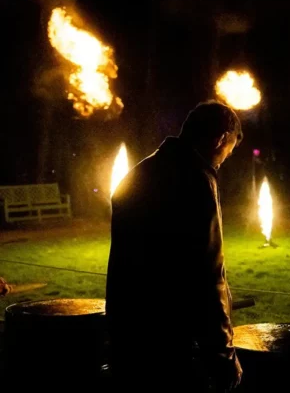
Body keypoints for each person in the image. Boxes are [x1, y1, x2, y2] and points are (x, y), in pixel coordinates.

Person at [105, 100, 243, 391]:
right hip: (173, 341)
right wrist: (222, 353)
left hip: (127, 331)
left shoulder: (137, 173)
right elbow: (208, 273)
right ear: (219, 139)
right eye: (228, 151)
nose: (223, 160)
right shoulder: (197, 178)